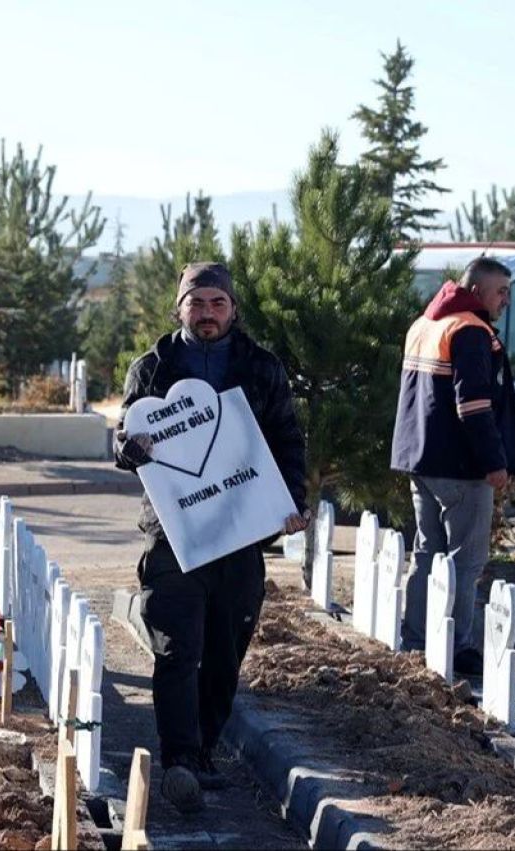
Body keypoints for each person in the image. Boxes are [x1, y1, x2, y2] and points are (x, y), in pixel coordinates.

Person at [114, 261, 309, 814]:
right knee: (177, 646)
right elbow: (127, 431)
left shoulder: (261, 368)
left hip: (241, 534)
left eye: (216, 304)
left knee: (226, 647)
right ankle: (179, 758)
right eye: (196, 303)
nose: (206, 313)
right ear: (179, 308)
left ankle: (202, 750)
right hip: (174, 534)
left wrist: (292, 501)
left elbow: (287, 440)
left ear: (232, 309)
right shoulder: (152, 369)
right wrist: (126, 449)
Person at [390, 256, 515, 675]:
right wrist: (494, 462)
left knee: (427, 554)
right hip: (461, 466)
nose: (506, 300)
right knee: (466, 561)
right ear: (478, 288)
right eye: (501, 290)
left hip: (421, 459)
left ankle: (414, 641)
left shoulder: (426, 324)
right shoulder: (468, 329)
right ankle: (458, 646)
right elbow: (473, 405)